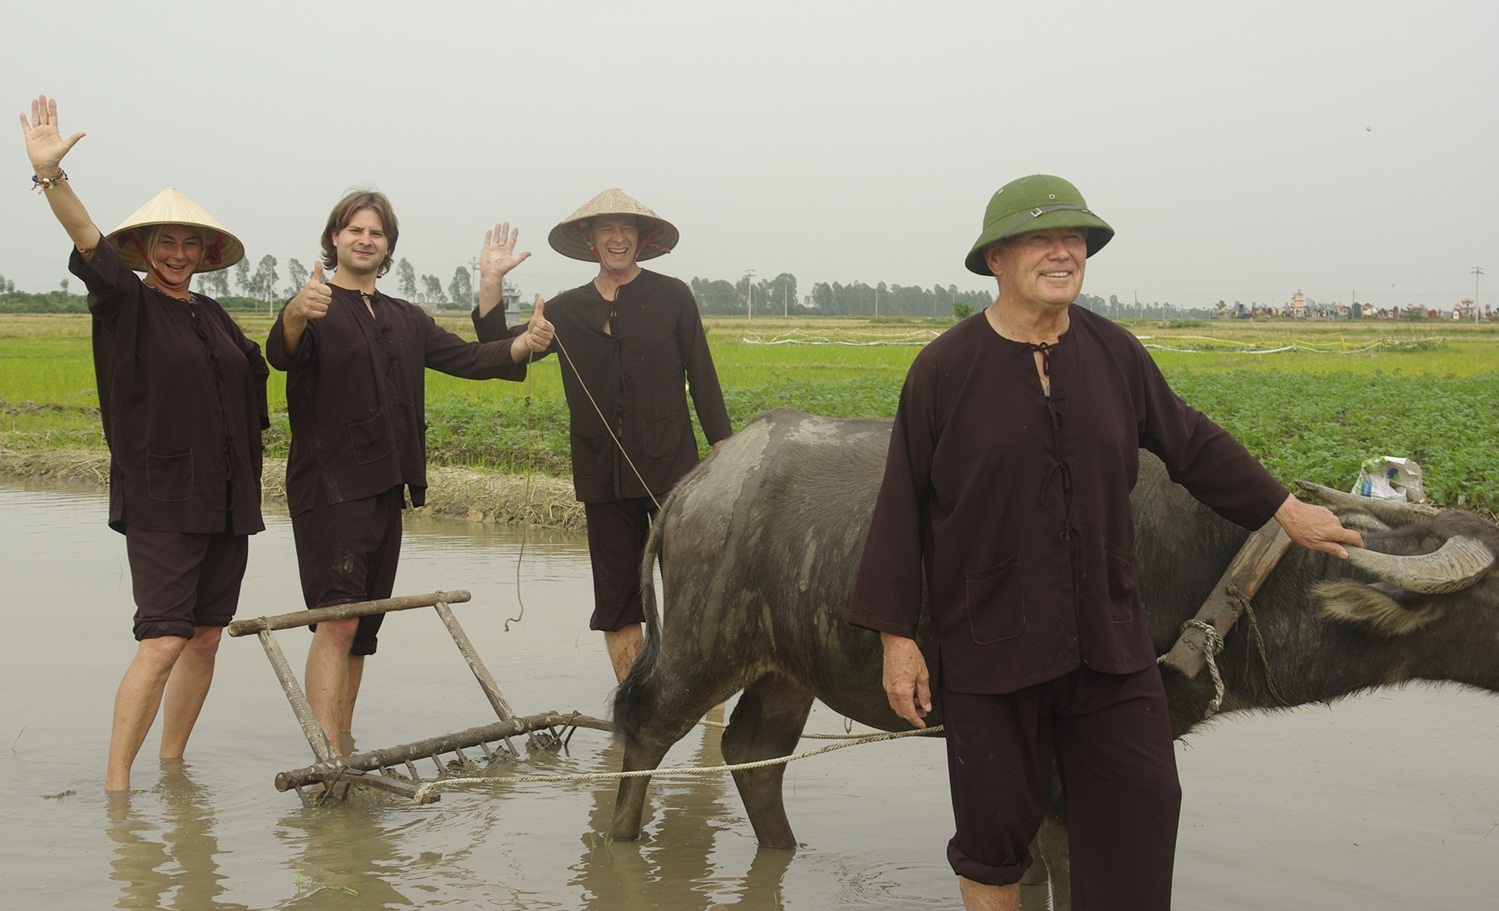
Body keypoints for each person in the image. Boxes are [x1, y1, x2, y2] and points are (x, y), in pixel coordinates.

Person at [848, 174, 1363, 911]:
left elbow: (1189, 442)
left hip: (1109, 641)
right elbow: (900, 507)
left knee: (1144, 803)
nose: (1063, 252)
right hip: (992, 642)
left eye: (1074, 240)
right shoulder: (943, 370)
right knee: (993, 838)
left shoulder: (1114, 353)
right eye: (1041, 239)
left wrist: (1283, 507)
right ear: (995, 257)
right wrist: (897, 639)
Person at [19, 95, 270, 791]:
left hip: (225, 500)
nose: (178, 254)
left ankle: (172, 766)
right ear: (146, 250)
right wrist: (50, 176)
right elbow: (89, 239)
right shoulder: (126, 303)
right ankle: (117, 792)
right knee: (162, 639)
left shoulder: (215, 314)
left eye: (191, 244)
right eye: (166, 242)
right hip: (162, 496)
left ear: (207, 253)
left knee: (207, 636)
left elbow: (253, 388)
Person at [267, 191, 552, 754]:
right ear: (334, 239)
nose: (365, 239)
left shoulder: (406, 318)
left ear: (388, 247)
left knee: (363, 631)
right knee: (337, 619)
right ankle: (325, 755)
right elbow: (282, 351)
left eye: (376, 233)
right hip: (329, 488)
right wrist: (297, 311)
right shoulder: (316, 307)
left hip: (385, 489)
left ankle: (343, 746)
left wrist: (523, 344)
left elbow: (469, 359)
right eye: (354, 230)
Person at [477, 188, 732, 684]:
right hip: (601, 475)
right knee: (616, 603)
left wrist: (724, 451)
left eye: (627, 229)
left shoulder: (673, 295)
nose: (618, 238)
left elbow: (702, 375)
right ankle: (637, 712)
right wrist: (490, 282)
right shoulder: (565, 310)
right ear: (590, 240)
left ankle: (710, 715)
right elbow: (497, 354)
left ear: (641, 239)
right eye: (607, 230)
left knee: (692, 595)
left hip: (673, 472)